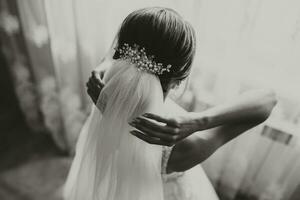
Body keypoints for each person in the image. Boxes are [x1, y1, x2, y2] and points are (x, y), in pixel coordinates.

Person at [70, 7, 277, 200]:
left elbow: (115, 58)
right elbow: (268, 99)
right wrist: (198, 121)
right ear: (178, 81)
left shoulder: (103, 95)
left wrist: (103, 66)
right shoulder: (183, 147)